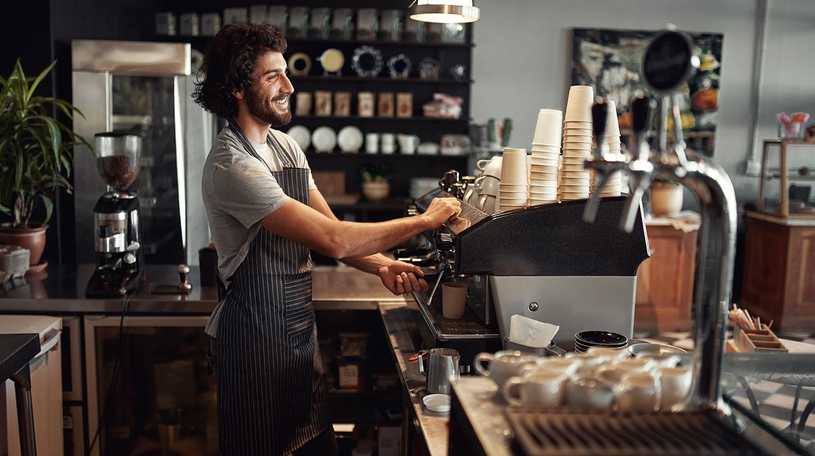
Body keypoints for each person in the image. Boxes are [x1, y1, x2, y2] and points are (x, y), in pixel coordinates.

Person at [194, 24, 461, 455]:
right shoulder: (233, 166)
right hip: (253, 345)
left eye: (285, 72)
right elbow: (335, 240)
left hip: (299, 335)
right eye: (272, 76)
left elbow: (330, 229)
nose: (289, 85)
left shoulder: (286, 149)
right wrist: (425, 221)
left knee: (313, 444)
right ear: (237, 90)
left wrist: (382, 264)